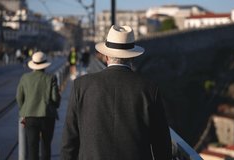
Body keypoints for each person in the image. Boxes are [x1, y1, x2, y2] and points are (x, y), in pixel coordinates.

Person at [61, 25, 172, 160]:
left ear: (106, 55)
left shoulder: (81, 86)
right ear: (132, 57)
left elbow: (69, 141)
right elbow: (161, 143)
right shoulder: (149, 88)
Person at [16, 51, 61, 160]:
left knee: (32, 147)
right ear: (44, 65)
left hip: (30, 117)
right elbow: (55, 99)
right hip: (47, 116)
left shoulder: (25, 78)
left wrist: (24, 110)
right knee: (46, 146)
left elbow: (19, 97)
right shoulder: (51, 78)